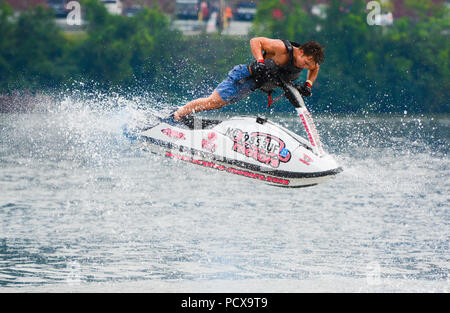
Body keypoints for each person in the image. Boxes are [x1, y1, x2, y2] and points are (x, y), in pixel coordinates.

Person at [172, 37, 324, 122]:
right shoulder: (281, 48)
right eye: (305, 63)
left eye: (308, 66)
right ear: (301, 52)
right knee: (213, 101)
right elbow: (255, 41)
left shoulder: (310, 62)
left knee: (216, 104)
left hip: (251, 86)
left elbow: (315, 68)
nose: (305, 67)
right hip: (243, 76)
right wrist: (259, 60)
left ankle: (182, 113)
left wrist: (308, 84)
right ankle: (178, 114)